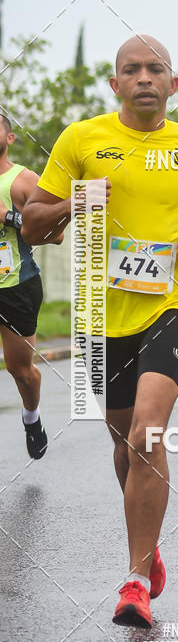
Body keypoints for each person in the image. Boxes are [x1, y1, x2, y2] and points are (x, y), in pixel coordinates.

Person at [22, 35, 178, 628]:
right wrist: (74, 204)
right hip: (98, 312)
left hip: (173, 303)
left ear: (174, 84)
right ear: (115, 85)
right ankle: (151, 543)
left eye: (156, 69)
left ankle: (135, 580)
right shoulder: (81, 140)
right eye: (131, 70)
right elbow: (34, 223)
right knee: (124, 446)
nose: (144, 78)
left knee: (146, 433)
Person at [0, 113, 62, 459]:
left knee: (21, 371)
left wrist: (7, 216)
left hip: (15, 287)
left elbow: (55, 233)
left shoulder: (23, 181)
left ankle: (31, 416)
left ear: (10, 138)